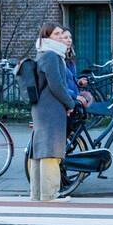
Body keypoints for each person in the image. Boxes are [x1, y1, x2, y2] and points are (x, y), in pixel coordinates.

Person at [27, 24, 77, 202]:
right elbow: (56, 85)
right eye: (56, 34)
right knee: (51, 151)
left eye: (60, 33)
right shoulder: (52, 55)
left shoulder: (43, 53)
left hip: (42, 107)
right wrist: (70, 103)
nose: (60, 36)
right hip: (51, 108)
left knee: (39, 150)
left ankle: (37, 193)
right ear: (47, 37)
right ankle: (50, 194)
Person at [55, 28, 91, 107]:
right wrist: (75, 96)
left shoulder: (69, 59)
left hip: (73, 100)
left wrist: (79, 82)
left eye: (70, 37)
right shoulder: (57, 59)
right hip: (64, 102)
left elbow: (71, 78)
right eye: (66, 38)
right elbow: (58, 85)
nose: (69, 40)